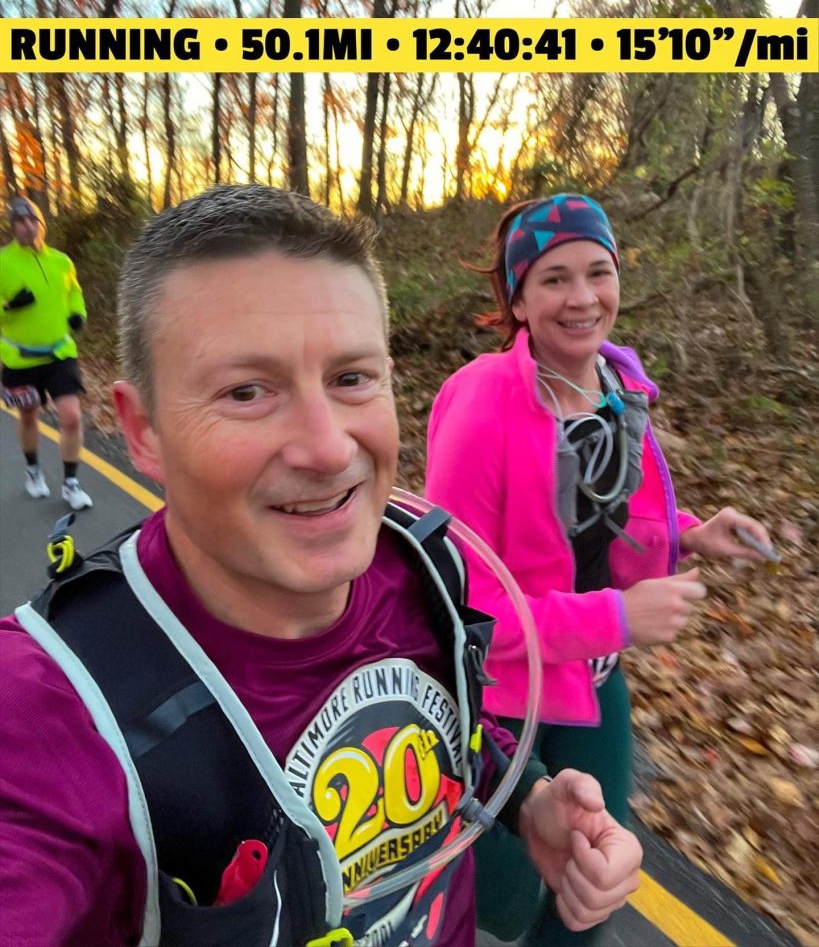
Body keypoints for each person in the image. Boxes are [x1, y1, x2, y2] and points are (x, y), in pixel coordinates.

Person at [0, 185, 642, 947]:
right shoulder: (52, 711)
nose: (329, 448)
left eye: (350, 379)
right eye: (247, 391)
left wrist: (527, 799)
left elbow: (450, 718)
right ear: (142, 430)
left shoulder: (418, 564)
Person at [425, 193, 775, 946]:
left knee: (593, 885)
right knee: (499, 899)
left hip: (590, 676)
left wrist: (692, 532)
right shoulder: (483, 404)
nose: (582, 298)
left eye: (597, 272)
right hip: (496, 695)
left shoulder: (617, 386)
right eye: (554, 279)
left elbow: (607, 521)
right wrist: (615, 616)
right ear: (518, 300)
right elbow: (463, 600)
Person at [0, 195, 93, 509]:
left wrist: (78, 313)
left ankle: (71, 484)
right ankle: (33, 471)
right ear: (12, 227)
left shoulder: (61, 261)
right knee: (29, 415)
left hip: (60, 353)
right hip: (20, 359)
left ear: (42, 224)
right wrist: (9, 307)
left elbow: (74, 293)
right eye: (20, 222)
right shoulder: (3, 262)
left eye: (32, 220)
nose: (27, 226)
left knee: (71, 416)